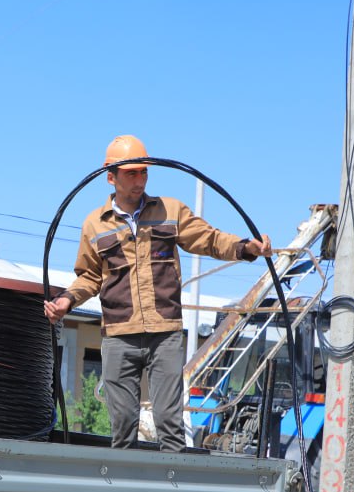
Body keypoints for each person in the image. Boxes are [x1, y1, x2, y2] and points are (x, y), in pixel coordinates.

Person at [44, 135, 273, 451]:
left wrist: (246, 248)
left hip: (164, 333)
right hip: (119, 336)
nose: (139, 181)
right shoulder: (94, 225)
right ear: (111, 177)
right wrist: (66, 300)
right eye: (131, 174)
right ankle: (123, 482)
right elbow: (89, 276)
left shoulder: (170, 210)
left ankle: (172, 481)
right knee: (123, 427)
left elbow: (209, 239)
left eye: (144, 172)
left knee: (169, 424)